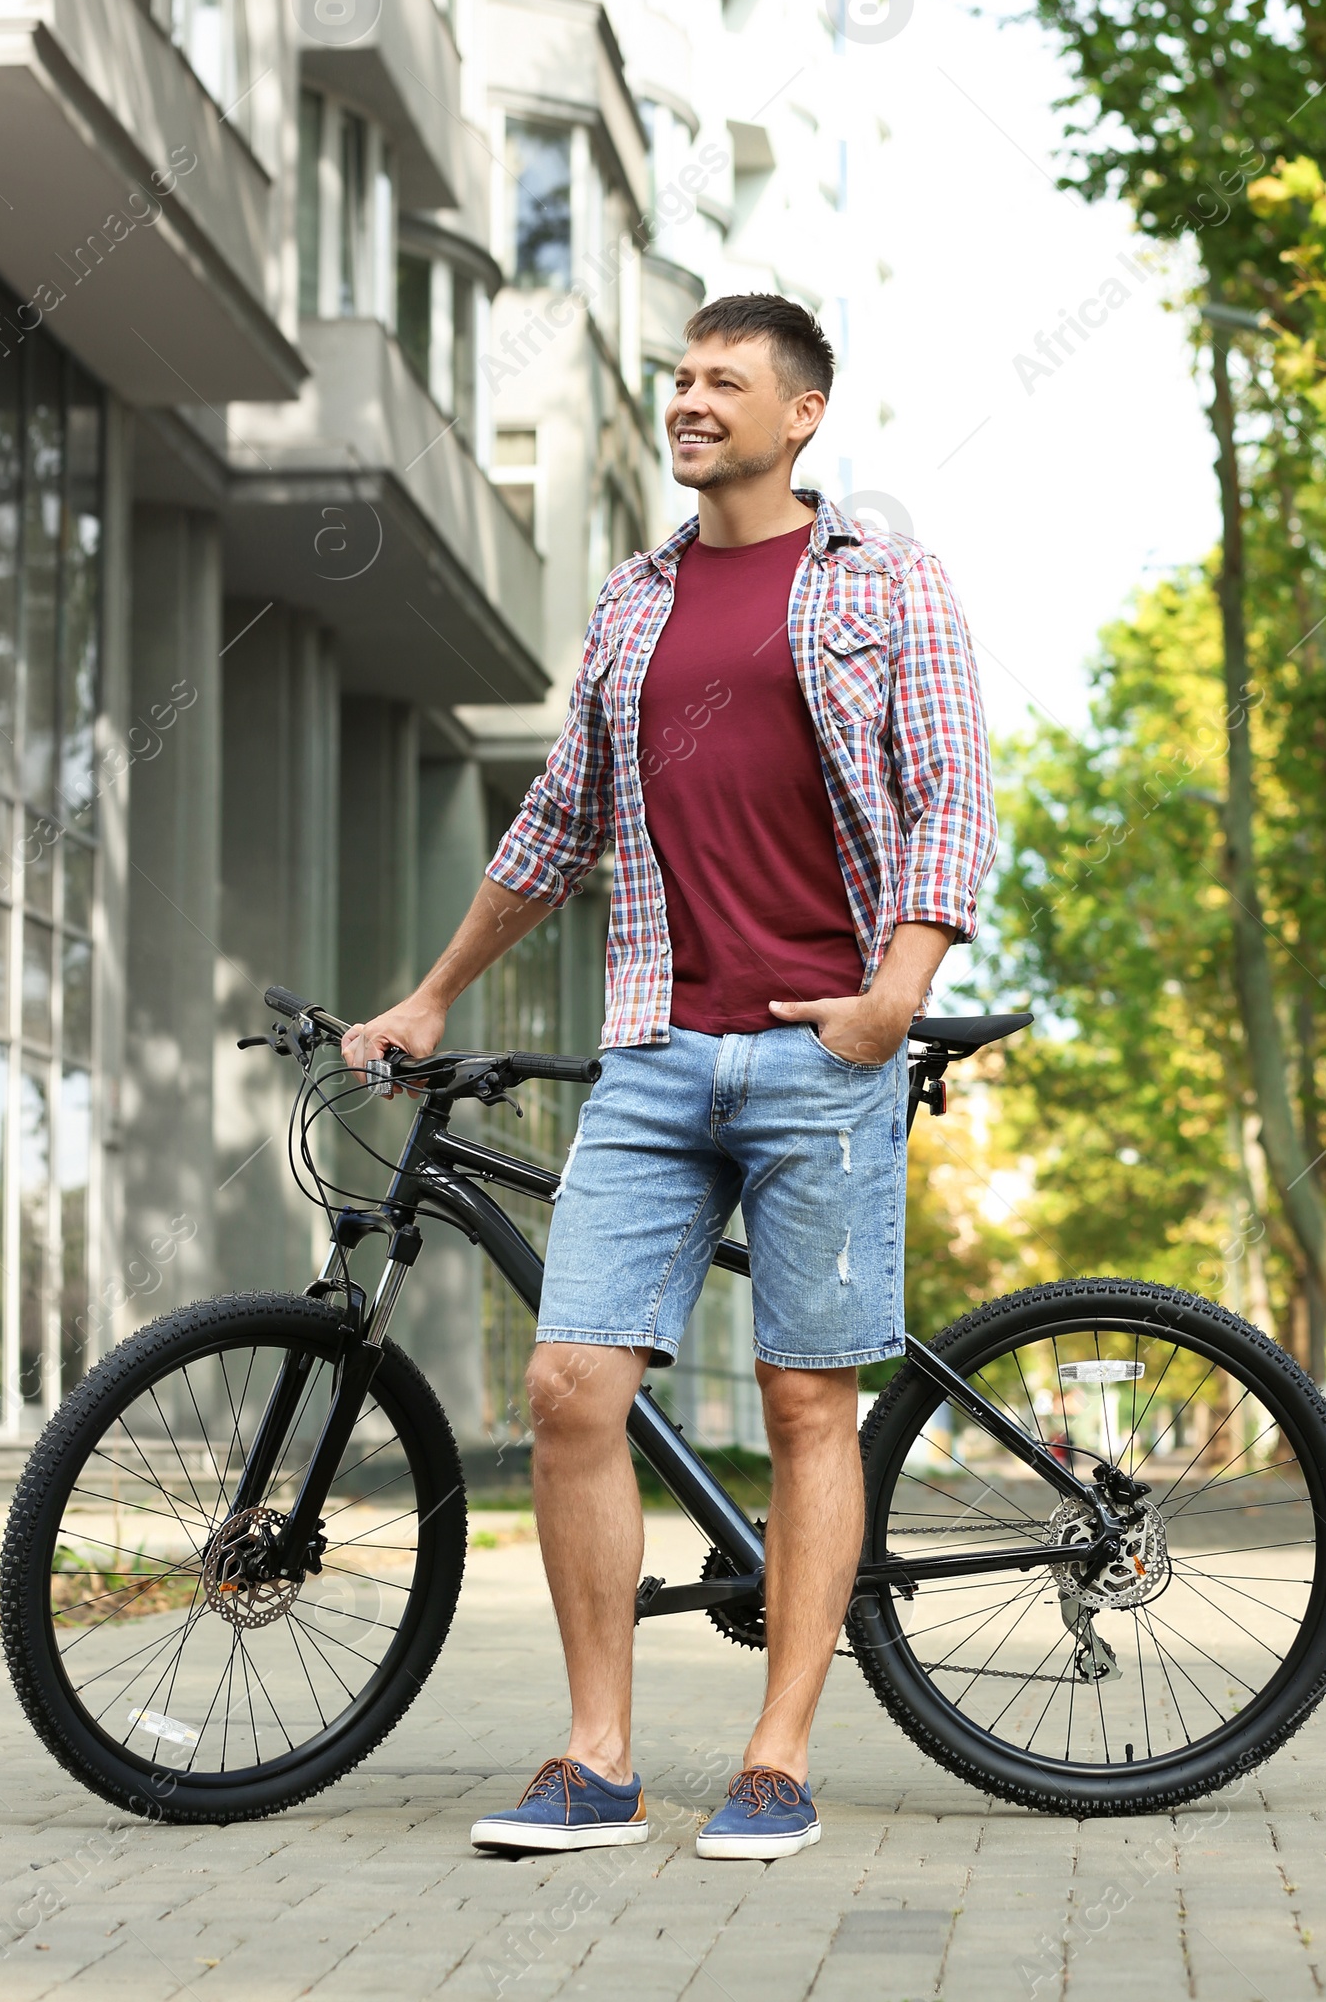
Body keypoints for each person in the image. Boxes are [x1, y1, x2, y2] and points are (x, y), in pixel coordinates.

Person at [342, 292, 996, 1860]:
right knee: (573, 1389)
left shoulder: (886, 581)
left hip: (816, 1048)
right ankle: (597, 1757)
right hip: (652, 1047)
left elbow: (951, 793)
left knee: (804, 1405)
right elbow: (557, 827)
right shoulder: (632, 604)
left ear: (802, 415)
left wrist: (890, 998)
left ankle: (776, 1759)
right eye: (680, 379)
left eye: (725, 383)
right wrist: (433, 994)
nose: (691, 401)